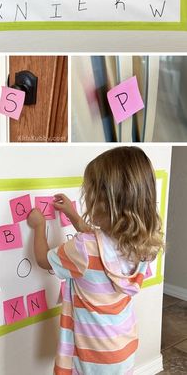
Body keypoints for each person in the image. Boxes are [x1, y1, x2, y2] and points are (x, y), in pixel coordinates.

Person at [27, 147, 164, 375]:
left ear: (103, 203)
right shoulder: (143, 244)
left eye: (88, 194)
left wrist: (39, 225)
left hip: (92, 355)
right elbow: (103, 244)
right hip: (123, 347)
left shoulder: (84, 247)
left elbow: (43, 259)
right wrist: (73, 215)